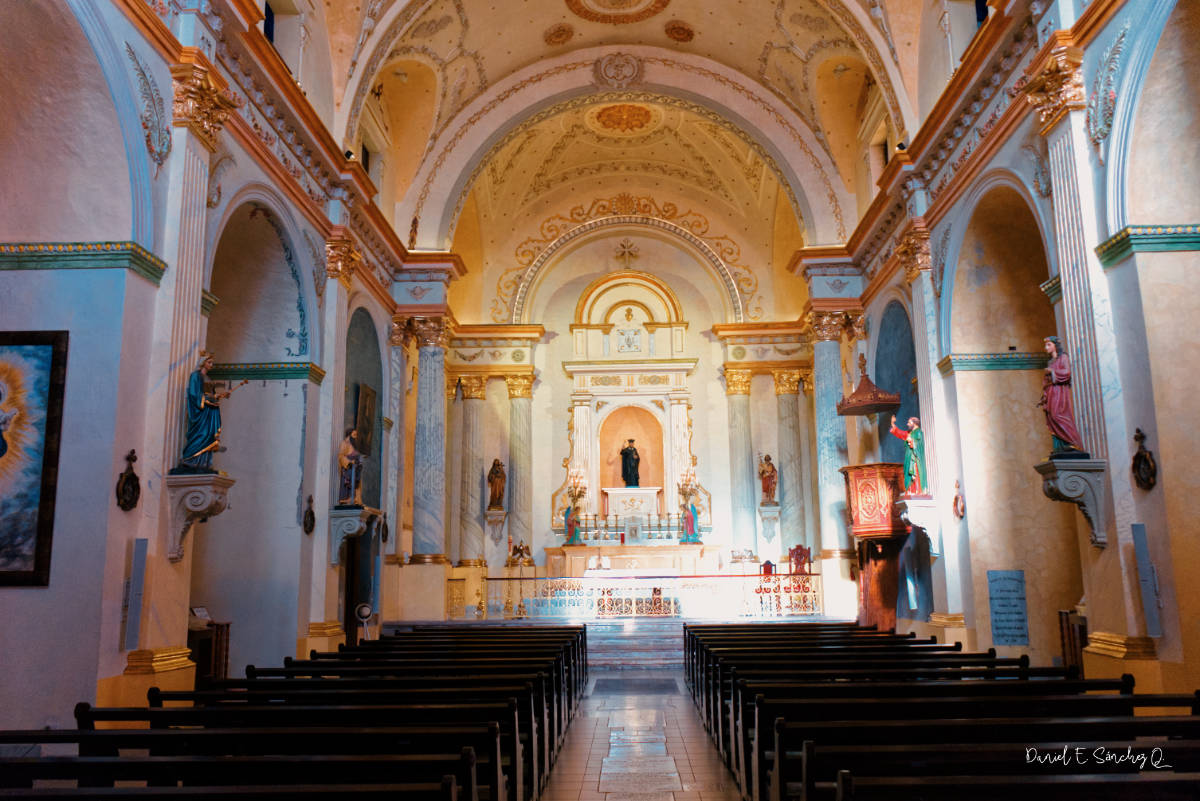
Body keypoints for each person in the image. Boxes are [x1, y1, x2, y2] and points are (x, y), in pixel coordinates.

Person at [177, 352, 229, 472]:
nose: (211, 364)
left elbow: (211, 394)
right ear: (203, 362)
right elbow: (194, 394)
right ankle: (190, 460)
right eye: (209, 362)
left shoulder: (208, 379)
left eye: (212, 362)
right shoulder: (195, 376)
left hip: (209, 412)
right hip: (201, 412)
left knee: (209, 436)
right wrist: (209, 399)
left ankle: (204, 463)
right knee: (201, 434)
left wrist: (220, 395)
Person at [1037, 335, 1085, 454]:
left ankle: (1073, 443)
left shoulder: (1063, 357)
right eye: (1046, 345)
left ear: (1055, 345)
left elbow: (1067, 373)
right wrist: (1044, 397)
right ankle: (1059, 447)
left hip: (1059, 391)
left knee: (1058, 415)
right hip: (1051, 392)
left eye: (1049, 344)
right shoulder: (1050, 362)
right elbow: (1046, 382)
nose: (1046, 347)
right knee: (1051, 417)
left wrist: (1052, 371)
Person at [889, 415, 927, 495]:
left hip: (914, 458)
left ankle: (917, 491)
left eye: (909, 422)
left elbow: (919, 445)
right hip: (908, 457)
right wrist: (893, 424)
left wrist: (912, 442)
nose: (907, 424)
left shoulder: (918, 432)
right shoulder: (910, 433)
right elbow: (901, 433)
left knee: (914, 473)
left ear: (915, 423)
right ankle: (910, 490)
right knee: (908, 474)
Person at [338, 428, 363, 504]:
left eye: (356, 435)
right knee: (348, 484)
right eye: (354, 435)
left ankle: (355, 498)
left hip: (356, 469)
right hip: (349, 468)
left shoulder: (354, 446)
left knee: (356, 484)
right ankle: (347, 498)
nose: (355, 437)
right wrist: (349, 462)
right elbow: (340, 456)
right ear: (349, 434)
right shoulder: (344, 443)